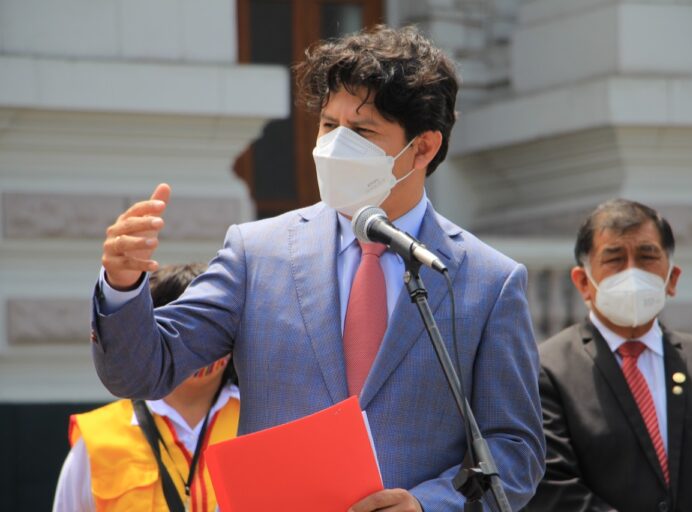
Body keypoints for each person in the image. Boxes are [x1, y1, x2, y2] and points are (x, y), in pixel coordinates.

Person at [89, 25, 544, 511]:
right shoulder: (257, 251)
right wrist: (122, 284)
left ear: (424, 148)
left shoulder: (488, 281)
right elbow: (143, 371)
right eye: (329, 125)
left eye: (363, 132)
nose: (335, 145)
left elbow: (515, 450)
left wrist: (427, 505)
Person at [525, 199, 692, 512]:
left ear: (673, 278)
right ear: (583, 282)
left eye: (647, 256)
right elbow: (550, 485)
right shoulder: (545, 371)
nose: (632, 272)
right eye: (614, 258)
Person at [54, 263, 240, 512]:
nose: (197, 346)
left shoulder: (265, 423)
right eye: (179, 331)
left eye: (210, 329)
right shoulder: (98, 439)